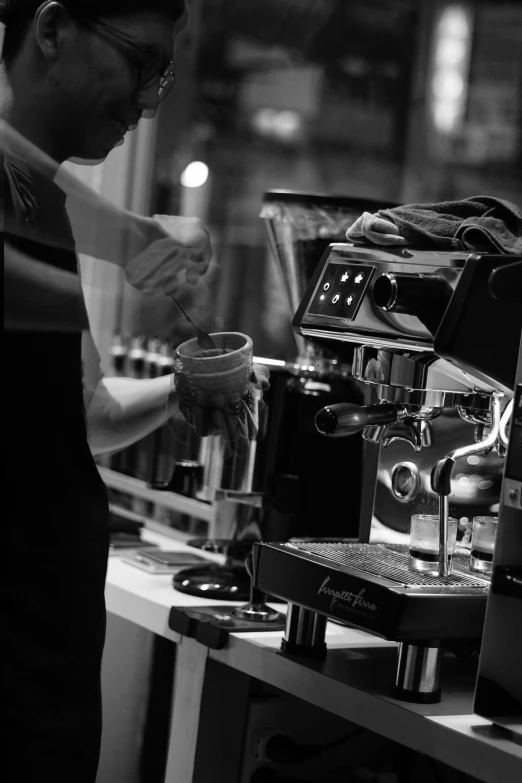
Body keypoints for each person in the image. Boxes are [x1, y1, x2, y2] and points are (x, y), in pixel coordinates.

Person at [1, 2, 268, 781]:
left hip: (46, 656)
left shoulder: (42, 218)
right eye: (140, 62)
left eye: (164, 75)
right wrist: (141, 242)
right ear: (52, 30)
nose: (151, 99)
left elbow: (81, 415)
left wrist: (181, 390)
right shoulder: (36, 208)